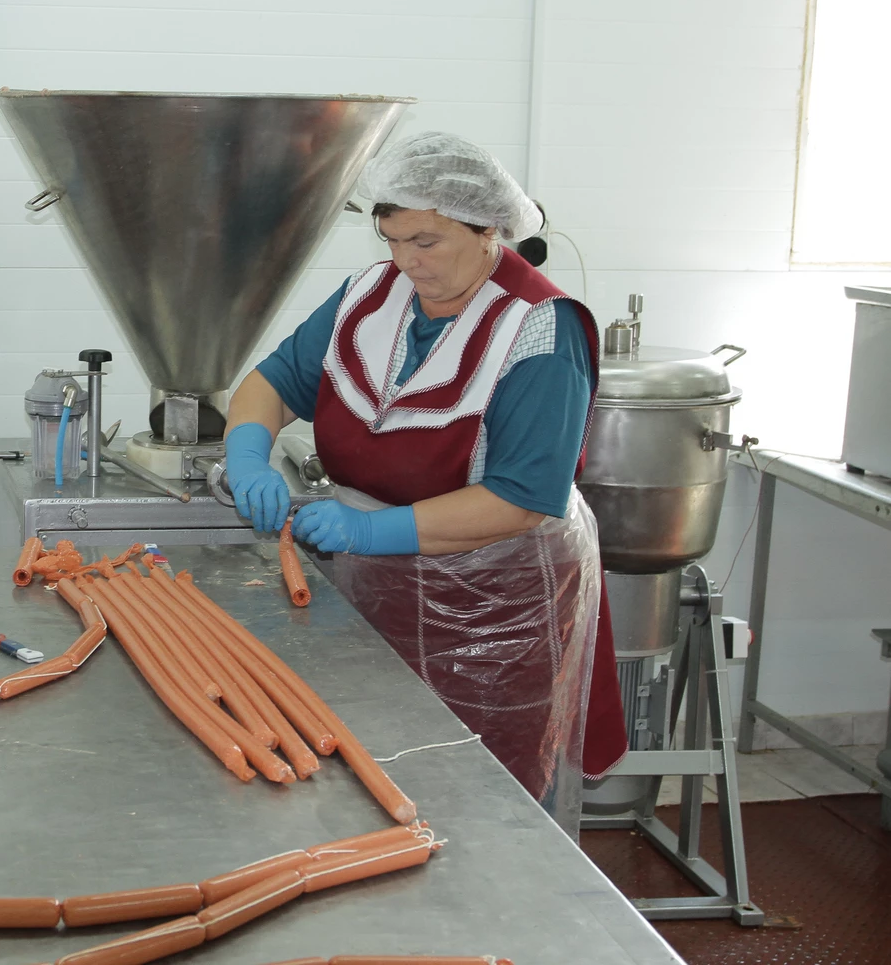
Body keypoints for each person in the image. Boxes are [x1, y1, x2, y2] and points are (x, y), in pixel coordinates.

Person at [222, 131, 626, 835]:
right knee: (373, 765)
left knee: (485, 789)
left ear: (488, 229)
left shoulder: (538, 329)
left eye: (427, 241)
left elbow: (521, 500)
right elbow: (273, 382)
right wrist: (248, 454)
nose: (408, 261)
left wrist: (368, 528)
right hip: (377, 583)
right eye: (393, 240)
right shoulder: (372, 295)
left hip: (495, 602)